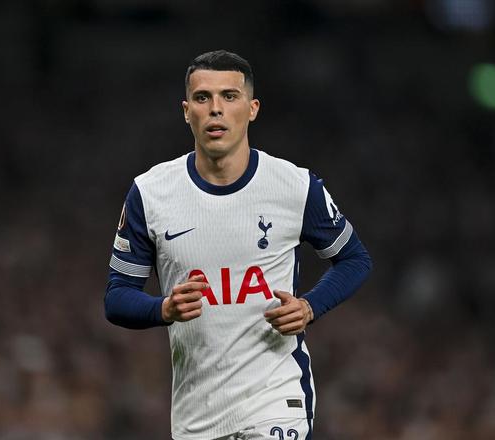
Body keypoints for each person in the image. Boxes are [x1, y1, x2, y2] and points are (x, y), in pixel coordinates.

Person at [105, 50, 372, 440]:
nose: (215, 109)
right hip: (197, 415)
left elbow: (354, 259)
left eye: (229, 96)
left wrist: (310, 306)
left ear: (252, 108)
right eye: (202, 98)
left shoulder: (295, 186)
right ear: (186, 112)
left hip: (276, 401)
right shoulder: (150, 193)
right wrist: (163, 308)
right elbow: (117, 297)